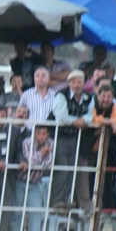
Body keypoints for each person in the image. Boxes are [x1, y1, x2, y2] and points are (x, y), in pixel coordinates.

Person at [49, 69, 94, 210]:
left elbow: (91, 115)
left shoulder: (88, 97)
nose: (76, 85)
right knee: (63, 168)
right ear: (69, 83)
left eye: (79, 81)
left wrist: (84, 120)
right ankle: (56, 200)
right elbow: (61, 116)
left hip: (74, 137)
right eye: (73, 82)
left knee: (71, 168)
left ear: (83, 83)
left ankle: (65, 199)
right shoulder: (61, 95)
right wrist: (77, 121)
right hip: (59, 135)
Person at [10, 125, 54, 231]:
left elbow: (48, 164)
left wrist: (36, 159)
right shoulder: (27, 142)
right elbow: (29, 159)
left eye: (44, 133)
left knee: (36, 211)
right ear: (34, 133)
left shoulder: (51, 143)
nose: (41, 136)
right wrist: (42, 153)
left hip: (35, 182)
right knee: (17, 211)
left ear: (47, 135)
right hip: (21, 180)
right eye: (38, 133)